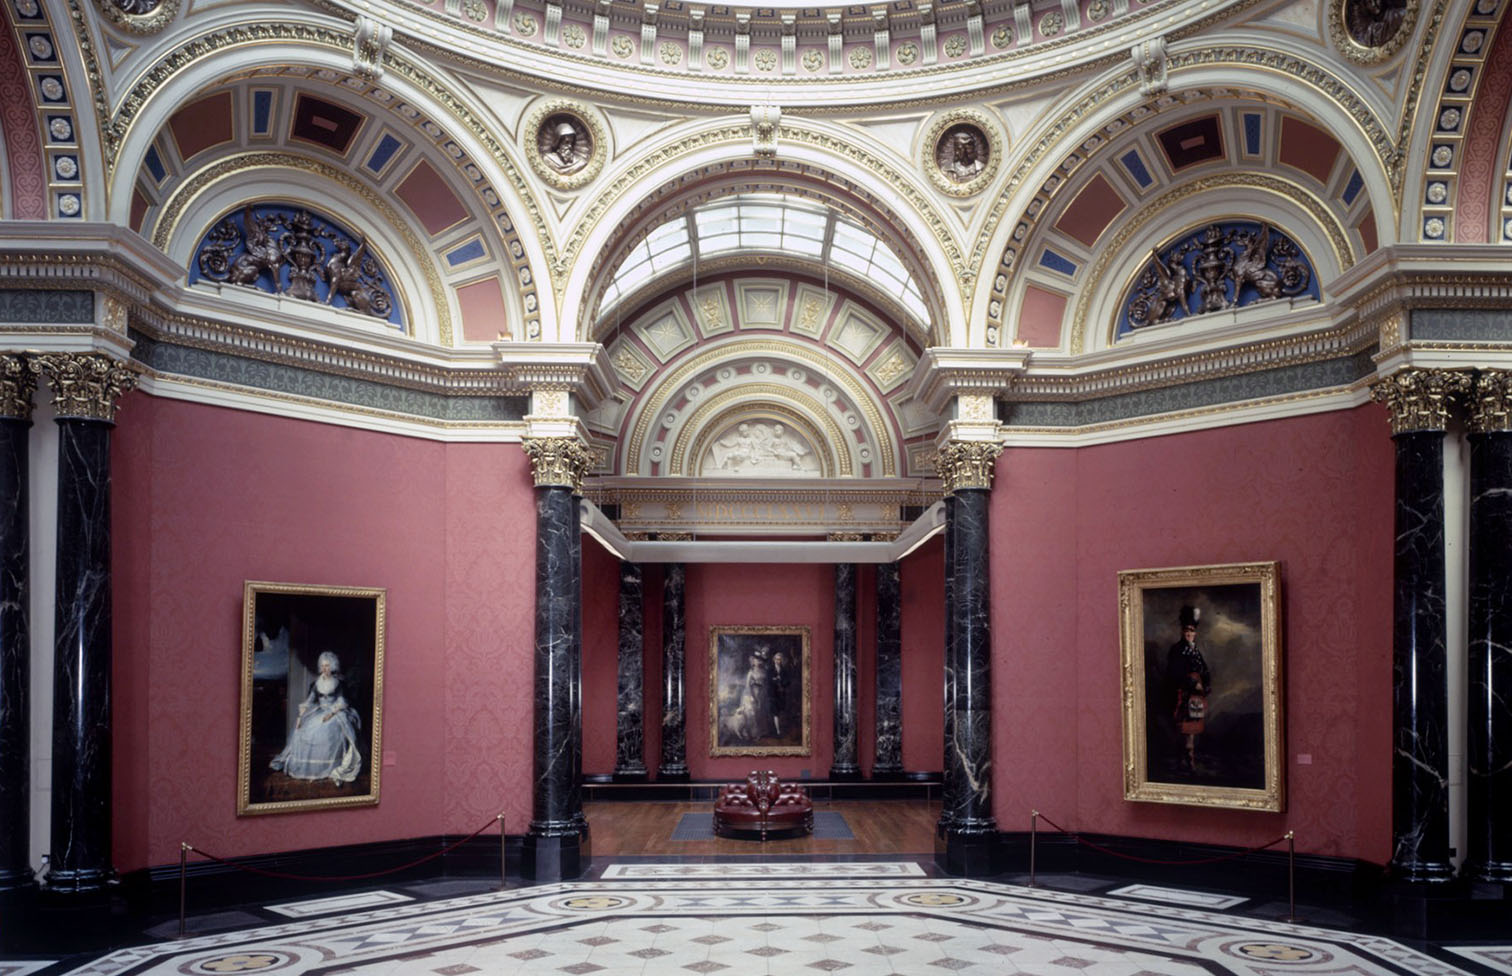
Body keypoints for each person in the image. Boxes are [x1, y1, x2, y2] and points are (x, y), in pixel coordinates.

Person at [270, 650, 362, 785]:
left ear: (333, 667)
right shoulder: (316, 683)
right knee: (304, 730)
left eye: (328, 666)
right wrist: (300, 718)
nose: (325, 668)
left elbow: (342, 701)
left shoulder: (338, 683)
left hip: (336, 712)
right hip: (320, 711)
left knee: (327, 730)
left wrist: (331, 714)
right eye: (323, 666)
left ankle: (327, 767)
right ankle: (310, 769)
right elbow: (309, 701)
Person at [1165, 606, 1210, 774]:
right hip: (1183, 694)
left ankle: (1188, 761)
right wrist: (1192, 684)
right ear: (1182, 631)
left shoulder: (1196, 650)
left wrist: (1205, 685)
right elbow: (1174, 673)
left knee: (1192, 730)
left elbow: (1204, 670)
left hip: (1196, 697)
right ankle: (1186, 762)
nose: (1188, 633)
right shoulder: (1177, 649)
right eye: (1186, 630)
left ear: (1195, 632)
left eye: (1191, 630)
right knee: (1184, 729)